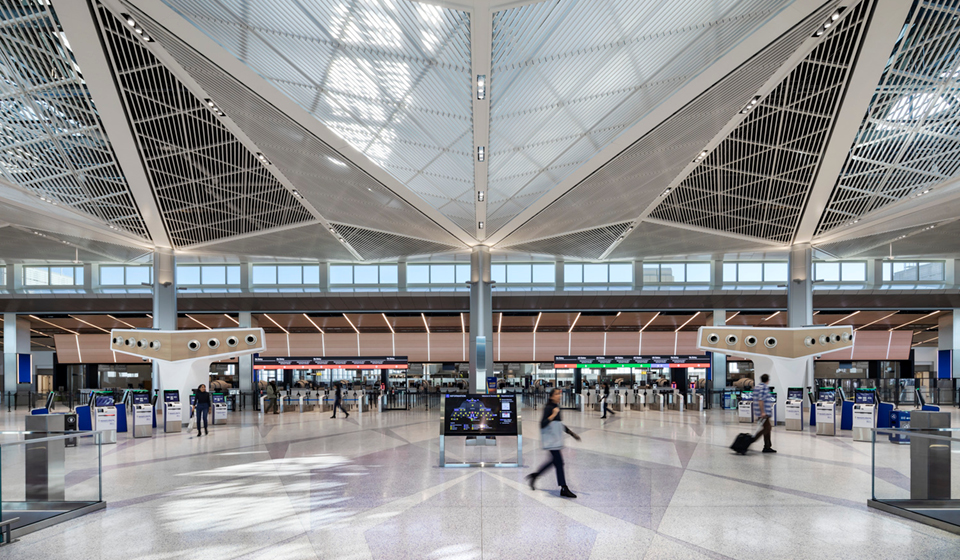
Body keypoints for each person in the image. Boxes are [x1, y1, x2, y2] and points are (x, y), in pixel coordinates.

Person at [526, 388, 581, 498]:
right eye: (556, 394)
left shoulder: (557, 407)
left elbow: (559, 424)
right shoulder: (549, 408)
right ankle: (563, 487)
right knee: (559, 462)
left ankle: (535, 476)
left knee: (555, 462)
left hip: (555, 439)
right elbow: (542, 424)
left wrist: (571, 433)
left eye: (559, 394)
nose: (559, 396)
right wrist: (552, 415)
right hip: (551, 439)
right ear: (551, 396)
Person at [752, 374, 776, 453]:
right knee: (767, 428)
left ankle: (767, 446)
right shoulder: (764, 387)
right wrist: (762, 412)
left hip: (760, 412)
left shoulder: (757, 387)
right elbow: (760, 400)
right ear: (768, 380)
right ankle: (753, 440)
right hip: (763, 413)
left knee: (767, 428)